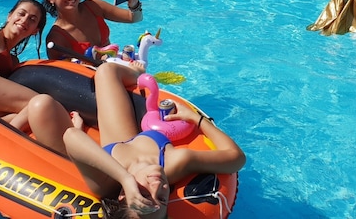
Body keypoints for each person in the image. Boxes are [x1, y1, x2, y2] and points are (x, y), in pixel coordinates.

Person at [25, 62, 246, 218]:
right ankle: (137, 73)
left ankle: (8, 122)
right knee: (107, 71)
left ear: (124, 195)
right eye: (163, 198)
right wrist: (197, 120)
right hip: (127, 140)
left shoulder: (105, 184)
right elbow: (236, 159)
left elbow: (71, 137)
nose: (158, 186)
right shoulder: (174, 163)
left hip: (89, 156)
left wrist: (125, 178)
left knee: (40, 106)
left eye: (144, 193)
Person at [43, 0, 143, 59]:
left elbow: (134, 18)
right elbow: (62, 72)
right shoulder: (56, 38)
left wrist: (134, 4)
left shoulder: (93, 6)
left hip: (116, 64)